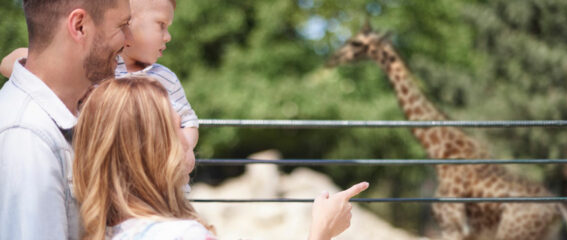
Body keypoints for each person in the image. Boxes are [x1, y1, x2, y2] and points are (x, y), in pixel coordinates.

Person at [73, 76, 370, 240]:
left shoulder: (100, 232)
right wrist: (322, 231)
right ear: (153, 148)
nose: (189, 134)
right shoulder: (182, 236)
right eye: (177, 126)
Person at [0, 0, 199, 174]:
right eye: (161, 25)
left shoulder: (163, 78)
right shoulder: (101, 70)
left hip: (156, 182)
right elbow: (11, 62)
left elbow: (189, 121)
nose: (167, 36)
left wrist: (185, 149)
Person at [0, 0, 132, 239]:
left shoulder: (57, 120)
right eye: (122, 25)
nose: (129, 40)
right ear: (79, 26)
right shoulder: (28, 137)